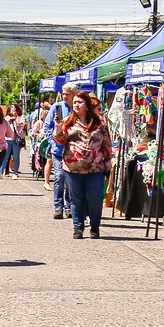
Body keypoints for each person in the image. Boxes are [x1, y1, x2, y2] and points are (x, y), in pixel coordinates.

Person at [56, 90, 114, 238]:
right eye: (74, 102)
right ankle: (78, 227)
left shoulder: (99, 122)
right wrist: (57, 129)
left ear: (87, 105)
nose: (76, 105)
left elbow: (106, 143)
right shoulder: (68, 122)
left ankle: (94, 226)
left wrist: (108, 161)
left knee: (95, 198)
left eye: (79, 102)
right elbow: (60, 140)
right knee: (77, 198)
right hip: (73, 167)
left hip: (96, 167)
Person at [46, 86, 75, 220]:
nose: (64, 96)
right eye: (63, 94)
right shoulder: (56, 107)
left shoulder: (78, 109)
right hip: (58, 151)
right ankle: (58, 208)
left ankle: (69, 207)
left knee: (70, 180)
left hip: (73, 152)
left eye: (67, 94)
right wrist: (52, 143)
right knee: (58, 177)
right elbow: (47, 126)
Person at [6, 104, 26, 178]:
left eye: (14, 109)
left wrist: (16, 119)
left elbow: (21, 125)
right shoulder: (9, 117)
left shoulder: (21, 117)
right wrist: (12, 118)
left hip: (17, 140)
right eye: (11, 109)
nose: (12, 110)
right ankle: (2, 172)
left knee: (16, 156)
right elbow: (5, 120)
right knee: (6, 156)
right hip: (8, 139)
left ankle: (15, 172)